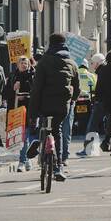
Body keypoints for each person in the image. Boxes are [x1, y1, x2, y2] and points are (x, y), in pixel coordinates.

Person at [28, 33, 81, 181]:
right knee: (57, 131)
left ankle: (38, 142)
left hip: (44, 105)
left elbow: (36, 89)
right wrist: (71, 101)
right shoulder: (72, 63)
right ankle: (58, 166)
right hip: (62, 107)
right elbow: (77, 89)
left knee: (43, 125)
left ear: (50, 45)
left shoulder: (43, 62)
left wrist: (33, 113)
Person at [9, 55, 35, 171]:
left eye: (26, 63)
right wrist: (13, 89)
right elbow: (5, 93)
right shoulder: (13, 76)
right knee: (21, 136)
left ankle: (23, 160)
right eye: (22, 63)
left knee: (26, 136)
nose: (24, 65)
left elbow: (35, 91)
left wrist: (24, 95)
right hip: (16, 110)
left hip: (29, 109)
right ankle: (26, 158)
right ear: (17, 65)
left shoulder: (33, 76)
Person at [79, 52, 106, 157]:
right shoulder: (96, 73)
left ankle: (88, 149)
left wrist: (95, 98)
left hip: (102, 102)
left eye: (93, 63)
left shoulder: (100, 72)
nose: (92, 65)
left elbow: (99, 88)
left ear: (97, 63)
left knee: (92, 126)